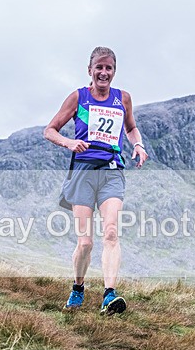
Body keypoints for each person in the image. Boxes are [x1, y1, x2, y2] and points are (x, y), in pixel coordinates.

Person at [44, 46, 148, 315]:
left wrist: (138, 145)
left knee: (111, 232)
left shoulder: (122, 99)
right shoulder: (78, 97)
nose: (104, 72)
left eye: (109, 68)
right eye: (99, 67)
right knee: (86, 242)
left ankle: (109, 295)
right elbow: (50, 130)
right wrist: (68, 142)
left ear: (114, 71)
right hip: (83, 172)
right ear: (89, 70)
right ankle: (78, 288)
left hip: (112, 171)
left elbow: (131, 127)